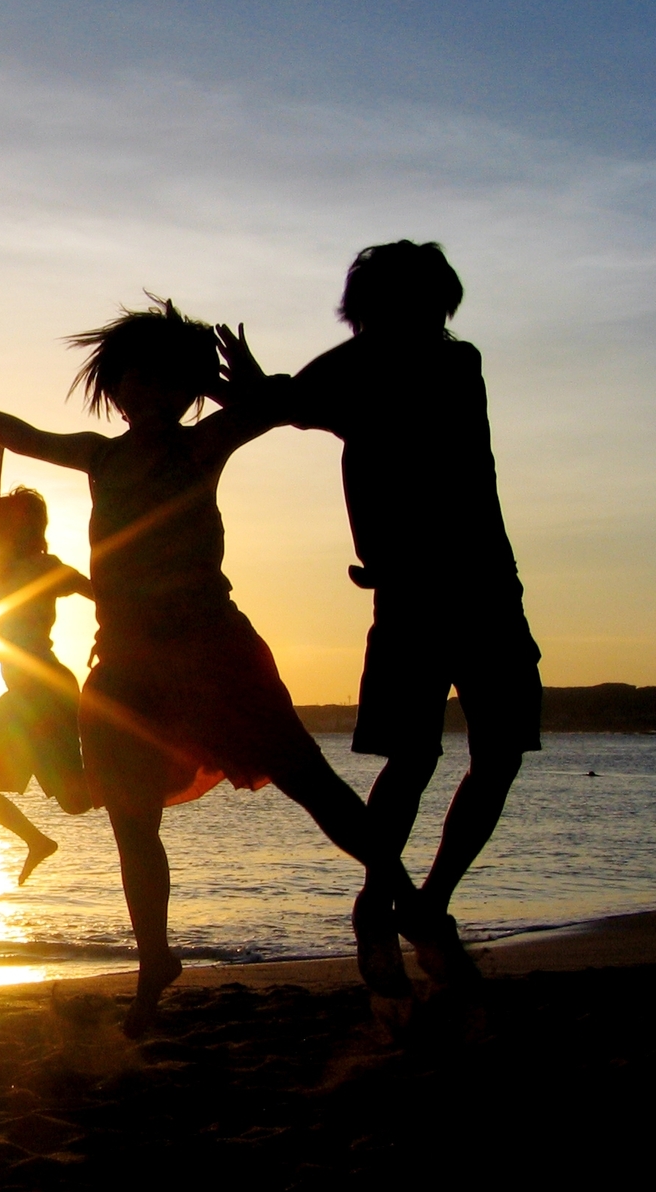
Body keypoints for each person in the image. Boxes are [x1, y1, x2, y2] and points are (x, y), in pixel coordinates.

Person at [0, 299, 470, 1035]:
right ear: (115, 391)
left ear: (186, 390)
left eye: (165, 382)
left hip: (211, 647)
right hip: (125, 660)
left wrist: (248, 385)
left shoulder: (202, 443)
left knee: (310, 781)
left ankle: (408, 905)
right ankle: (155, 959)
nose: (146, 396)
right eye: (133, 383)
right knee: (130, 817)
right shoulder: (100, 454)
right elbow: (28, 435)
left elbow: (279, 408)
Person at [218, 241, 538, 995]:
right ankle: (384, 906)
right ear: (375, 309)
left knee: (495, 754)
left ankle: (423, 905)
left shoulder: (450, 366)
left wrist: (258, 389)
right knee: (418, 757)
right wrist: (252, 387)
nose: (425, 317)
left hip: (482, 585)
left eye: (429, 304)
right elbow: (286, 403)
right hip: (417, 594)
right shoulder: (363, 367)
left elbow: (288, 402)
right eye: (406, 303)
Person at [0, 446, 94, 885]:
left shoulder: (48, 568)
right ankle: (38, 841)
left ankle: (135, 775)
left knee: (75, 799)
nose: (0, 522)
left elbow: (106, 597)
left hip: (44, 689)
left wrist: (110, 636)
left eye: (12, 518)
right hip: (25, 693)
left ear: (30, 526)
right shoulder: (4, 558)